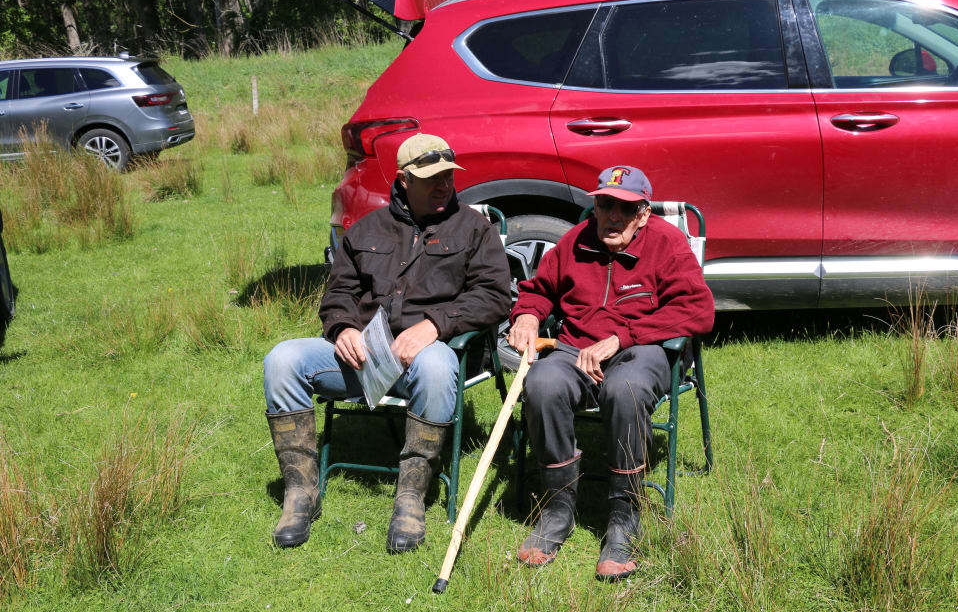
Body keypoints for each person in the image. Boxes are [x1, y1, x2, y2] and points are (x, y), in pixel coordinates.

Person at [263, 134, 511, 552]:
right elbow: (338, 292)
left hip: (428, 359)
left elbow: (494, 296)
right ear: (403, 179)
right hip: (365, 359)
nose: (443, 185)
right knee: (282, 358)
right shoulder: (366, 229)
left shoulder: (474, 229)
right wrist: (342, 328)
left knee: (435, 364)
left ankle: (411, 496)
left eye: (448, 175)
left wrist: (435, 324)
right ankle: (301, 492)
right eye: (431, 178)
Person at [507, 165, 714, 581]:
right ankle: (558, 509)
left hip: (643, 349)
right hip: (575, 348)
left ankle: (624, 516)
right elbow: (538, 290)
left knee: (626, 389)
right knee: (542, 383)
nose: (612, 216)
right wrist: (528, 316)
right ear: (595, 206)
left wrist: (624, 337)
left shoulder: (668, 243)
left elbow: (698, 310)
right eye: (604, 205)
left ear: (643, 213)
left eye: (624, 208)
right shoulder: (574, 241)